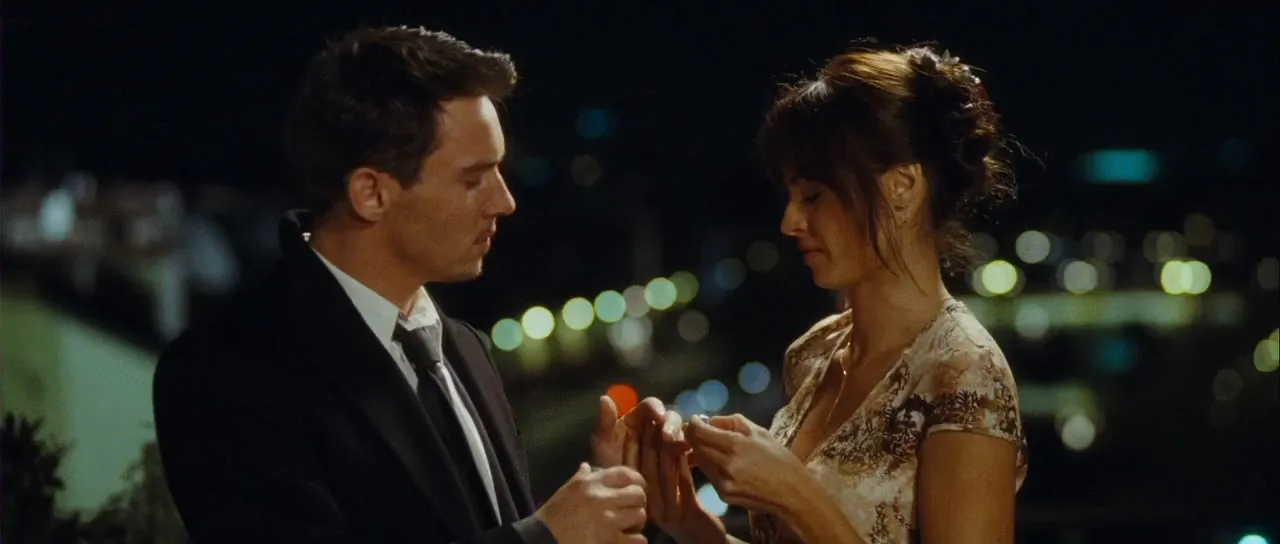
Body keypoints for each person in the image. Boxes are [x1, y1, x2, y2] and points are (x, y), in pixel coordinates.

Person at [152, 26, 651, 544]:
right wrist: (543, 538)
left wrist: (618, 501)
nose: (504, 202)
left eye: (500, 171)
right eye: (473, 179)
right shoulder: (225, 375)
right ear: (371, 193)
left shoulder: (465, 349)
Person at [628, 45, 1030, 543]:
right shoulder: (813, 354)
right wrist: (685, 518)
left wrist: (793, 493)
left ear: (903, 187)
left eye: (813, 196)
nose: (790, 222)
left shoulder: (964, 373)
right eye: (790, 197)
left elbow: (803, 507)